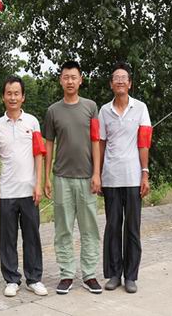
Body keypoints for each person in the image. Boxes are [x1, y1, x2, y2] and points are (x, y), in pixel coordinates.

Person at [43, 60, 103, 295]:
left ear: (80, 80)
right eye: (66, 77)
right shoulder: (53, 111)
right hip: (61, 177)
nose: (70, 81)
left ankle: (89, 274)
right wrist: (46, 177)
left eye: (73, 77)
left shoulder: (91, 107)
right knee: (63, 229)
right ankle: (66, 274)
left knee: (89, 229)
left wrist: (97, 173)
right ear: (61, 80)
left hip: (87, 177)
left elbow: (96, 141)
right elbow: (49, 144)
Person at [0, 75, 49, 297]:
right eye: (9, 93)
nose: (12, 97)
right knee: (7, 238)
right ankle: (11, 279)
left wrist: (38, 184)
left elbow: (39, 154)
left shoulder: (32, 122)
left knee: (32, 236)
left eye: (17, 93)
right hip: (7, 192)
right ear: (3, 97)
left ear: (23, 97)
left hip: (29, 190)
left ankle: (34, 279)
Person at [98, 62, 152, 294]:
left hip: (132, 177)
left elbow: (144, 143)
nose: (120, 81)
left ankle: (130, 276)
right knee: (112, 227)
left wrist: (145, 173)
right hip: (110, 177)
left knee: (132, 228)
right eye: (116, 78)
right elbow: (101, 143)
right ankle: (114, 274)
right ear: (111, 84)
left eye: (124, 78)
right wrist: (97, 174)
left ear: (129, 83)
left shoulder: (140, 108)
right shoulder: (104, 111)